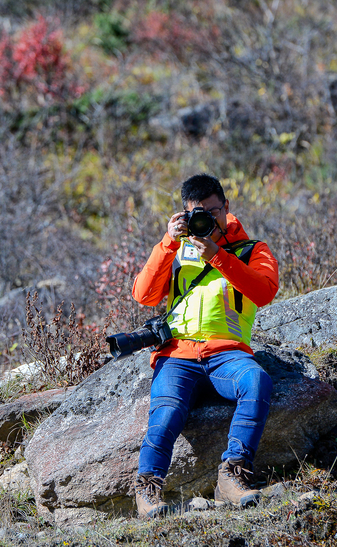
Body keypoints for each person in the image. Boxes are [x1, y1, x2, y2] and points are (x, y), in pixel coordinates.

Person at [131, 173, 279, 518]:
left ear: (226, 206)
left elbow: (264, 292)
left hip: (228, 354)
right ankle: (148, 490)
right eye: (199, 214)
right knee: (167, 412)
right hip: (177, 355)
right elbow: (143, 295)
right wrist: (167, 242)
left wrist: (219, 256)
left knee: (256, 381)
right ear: (186, 213)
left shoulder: (252, 250)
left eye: (214, 212)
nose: (208, 220)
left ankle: (233, 476)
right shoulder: (176, 250)